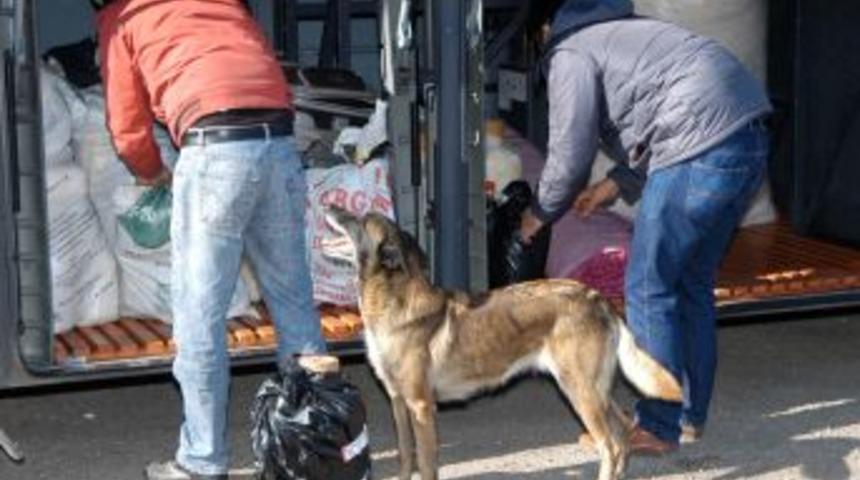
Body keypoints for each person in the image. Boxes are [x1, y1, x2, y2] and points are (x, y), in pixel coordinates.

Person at [520, 0, 771, 453]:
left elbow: (569, 154)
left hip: (699, 145)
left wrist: (538, 215)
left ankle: (657, 426)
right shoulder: (628, 33)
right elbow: (660, 112)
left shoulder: (570, 50)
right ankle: (688, 416)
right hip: (748, 136)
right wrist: (615, 186)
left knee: (648, 286)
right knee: (690, 283)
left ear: (545, 28)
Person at [91, 1, 327, 478]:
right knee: (294, 302)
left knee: (199, 313)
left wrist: (154, 174)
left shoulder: (124, 18)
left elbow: (128, 130)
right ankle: (314, 451)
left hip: (215, 147)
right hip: (279, 143)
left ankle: (202, 462)